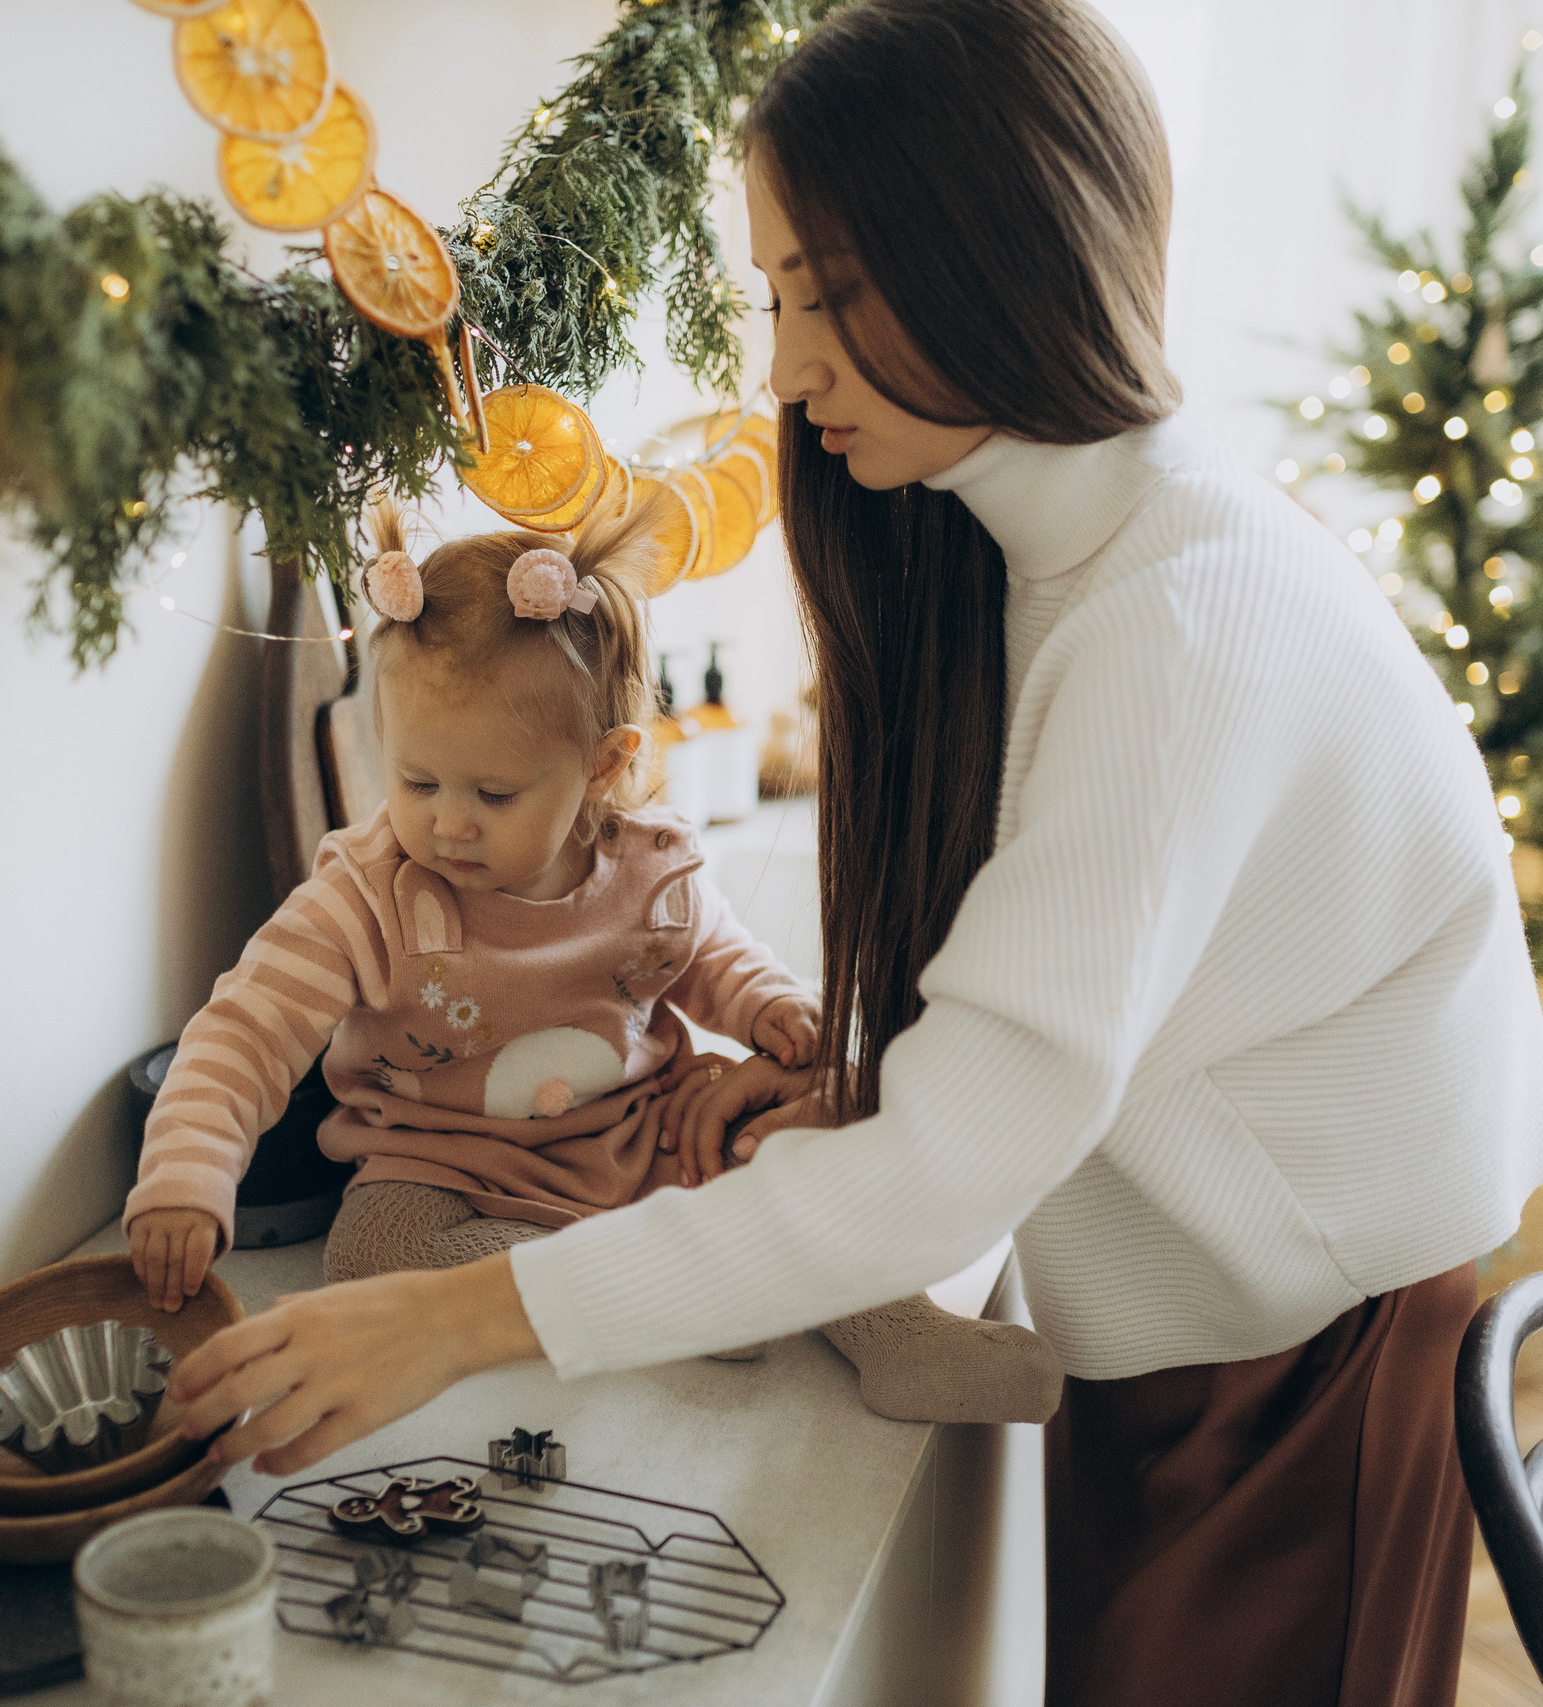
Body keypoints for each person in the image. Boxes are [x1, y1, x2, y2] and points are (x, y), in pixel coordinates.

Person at [161, 0, 1543, 1699]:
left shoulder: (1175, 625)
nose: (782, 367)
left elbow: (954, 1170)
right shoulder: (1039, 542)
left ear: (996, 242)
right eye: (773, 295)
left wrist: (453, 1315)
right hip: (1211, 1309)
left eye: (827, 290)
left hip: (1306, 1344)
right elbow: (1058, 1016)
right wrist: (866, 1097)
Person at [126, 497, 1064, 1426]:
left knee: (793, 1178)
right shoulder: (366, 895)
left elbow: (715, 954)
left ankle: (905, 1337)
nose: (447, 820)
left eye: (493, 792)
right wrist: (186, 1176)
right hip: (443, 1163)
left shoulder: (647, 866)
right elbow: (244, 1029)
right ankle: (664, 1288)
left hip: (642, 1136)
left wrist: (768, 1006)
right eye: (416, 781)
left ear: (605, 766)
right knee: (368, 1259)